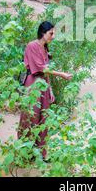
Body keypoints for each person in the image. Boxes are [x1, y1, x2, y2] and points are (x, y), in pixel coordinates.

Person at [17, 21, 72, 160]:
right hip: (33, 86)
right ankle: (25, 154)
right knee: (30, 118)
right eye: (51, 33)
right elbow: (41, 69)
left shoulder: (45, 48)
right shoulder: (32, 46)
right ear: (43, 33)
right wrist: (61, 74)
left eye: (53, 33)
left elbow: (45, 72)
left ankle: (40, 154)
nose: (53, 36)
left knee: (43, 120)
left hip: (43, 87)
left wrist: (51, 90)